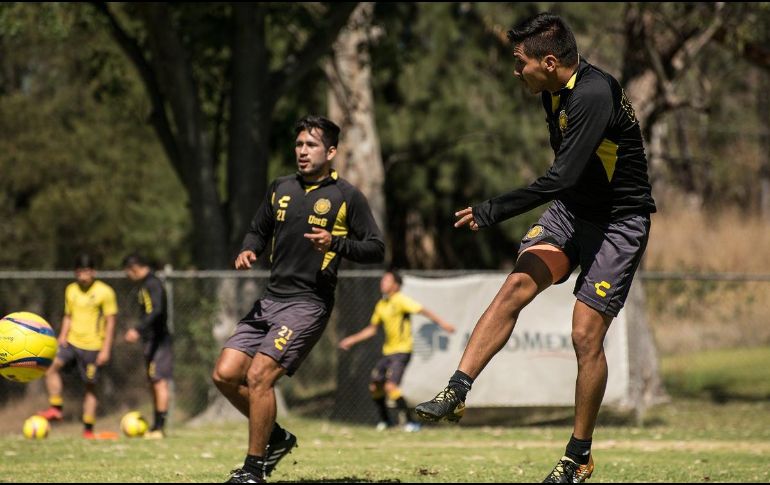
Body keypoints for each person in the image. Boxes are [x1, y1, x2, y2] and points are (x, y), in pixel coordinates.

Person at [415, 12, 656, 484]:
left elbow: (560, 176)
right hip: (574, 211)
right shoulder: (554, 92)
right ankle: (456, 391)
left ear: (549, 61)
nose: (514, 70)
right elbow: (570, 181)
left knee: (586, 335)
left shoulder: (591, 94)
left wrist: (492, 210)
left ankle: (578, 456)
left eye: (519, 62)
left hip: (617, 223)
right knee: (516, 286)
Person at [212, 115, 385, 483]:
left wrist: (335, 243)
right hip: (270, 300)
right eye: (299, 144)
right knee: (225, 374)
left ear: (331, 151)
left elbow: (375, 249)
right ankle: (276, 437)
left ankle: (253, 470)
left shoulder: (346, 197)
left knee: (259, 376)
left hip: (309, 303)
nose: (302, 151)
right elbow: (258, 231)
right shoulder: (281, 187)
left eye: (311, 145)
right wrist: (248, 250)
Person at [338, 269, 455, 432]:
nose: (382, 283)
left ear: (396, 285)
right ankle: (386, 422)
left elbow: (423, 310)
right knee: (375, 386)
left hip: (402, 351)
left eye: (387, 280)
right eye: (383, 280)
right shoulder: (381, 305)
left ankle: (410, 422)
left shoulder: (401, 300)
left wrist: (443, 324)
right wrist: (352, 339)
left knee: (391, 387)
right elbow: (372, 330)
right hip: (388, 352)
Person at [39, 254, 119, 440]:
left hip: (93, 347)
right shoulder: (71, 290)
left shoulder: (105, 292)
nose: (83, 276)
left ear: (94, 272)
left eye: (86, 272)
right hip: (72, 342)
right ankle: (56, 408)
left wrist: (106, 349)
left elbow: (111, 322)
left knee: (90, 386)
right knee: (50, 367)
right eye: (79, 272)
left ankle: (88, 430)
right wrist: (62, 336)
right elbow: (68, 315)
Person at [122, 253, 173, 439]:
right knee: (153, 381)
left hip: (159, 340)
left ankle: (159, 428)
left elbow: (157, 311)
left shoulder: (153, 284)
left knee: (159, 381)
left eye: (127, 272)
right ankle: (155, 426)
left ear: (133, 268)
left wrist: (138, 329)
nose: (128, 276)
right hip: (151, 340)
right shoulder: (145, 285)